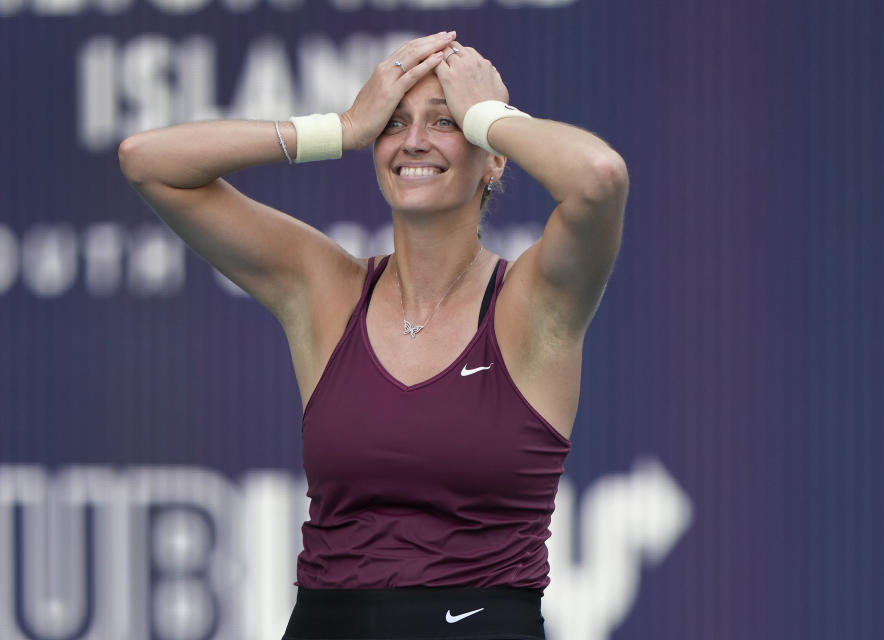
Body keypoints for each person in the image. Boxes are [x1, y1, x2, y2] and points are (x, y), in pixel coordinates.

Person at [119, 30, 627, 640]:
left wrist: (488, 114)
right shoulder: (324, 289)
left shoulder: (533, 302)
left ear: (493, 158)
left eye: (445, 123)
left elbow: (598, 177)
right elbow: (147, 161)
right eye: (395, 123)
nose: (413, 140)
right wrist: (341, 127)